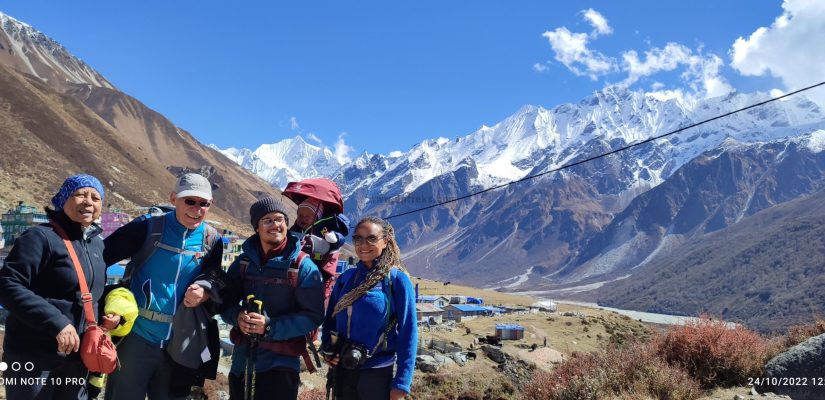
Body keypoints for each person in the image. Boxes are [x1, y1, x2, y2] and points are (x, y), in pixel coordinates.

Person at [102, 173, 222, 400]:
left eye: (204, 203)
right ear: (174, 198)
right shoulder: (147, 228)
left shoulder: (212, 240)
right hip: (137, 337)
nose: (197, 209)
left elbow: (215, 276)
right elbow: (100, 259)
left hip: (179, 343)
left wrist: (205, 291)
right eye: (190, 201)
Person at [0, 174, 120, 400]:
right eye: (80, 194)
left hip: (76, 358)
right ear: (63, 199)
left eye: (95, 198)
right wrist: (57, 322)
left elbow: (90, 294)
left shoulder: (96, 244)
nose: (88, 202)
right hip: (33, 354)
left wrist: (108, 315)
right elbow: (8, 284)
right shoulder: (40, 237)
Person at [220, 197, 325, 400]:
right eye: (268, 220)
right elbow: (224, 303)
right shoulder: (243, 263)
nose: (275, 225)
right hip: (242, 362)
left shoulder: (302, 266)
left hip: (281, 367)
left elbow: (314, 316)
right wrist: (237, 317)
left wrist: (269, 326)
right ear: (257, 227)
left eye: (280, 219)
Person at [322, 217, 418, 400]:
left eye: (371, 238)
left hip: (377, 375)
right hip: (343, 370)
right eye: (358, 238)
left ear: (386, 241)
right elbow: (330, 320)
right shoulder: (346, 279)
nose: (363, 244)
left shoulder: (396, 281)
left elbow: (409, 332)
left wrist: (402, 382)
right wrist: (328, 349)